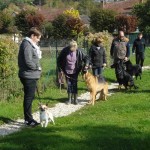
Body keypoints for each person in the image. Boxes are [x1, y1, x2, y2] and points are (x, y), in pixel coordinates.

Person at [18, 27, 42, 127]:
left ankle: (28, 118)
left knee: (30, 97)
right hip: (28, 75)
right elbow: (28, 61)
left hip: (31, 75)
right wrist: (37, 68)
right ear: (32, 36)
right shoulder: (27, 45)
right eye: (38, 38)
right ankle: (28, 120)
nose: (39, 40)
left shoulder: (29, 44)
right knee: (29, 97)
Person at [57, 40, 89, 105]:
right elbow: (59, 60)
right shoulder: (65, 51)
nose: (73, 50)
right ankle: (69, 99)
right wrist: (60, 69)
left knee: (74, 84)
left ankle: (75, 99)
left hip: (75, 70)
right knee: (69, 84)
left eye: (74, 49)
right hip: (66, 70)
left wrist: (86, 65)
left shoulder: (80, 51)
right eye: (71, 49)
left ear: (76, 47)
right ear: (69, 47)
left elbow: (87, 58)